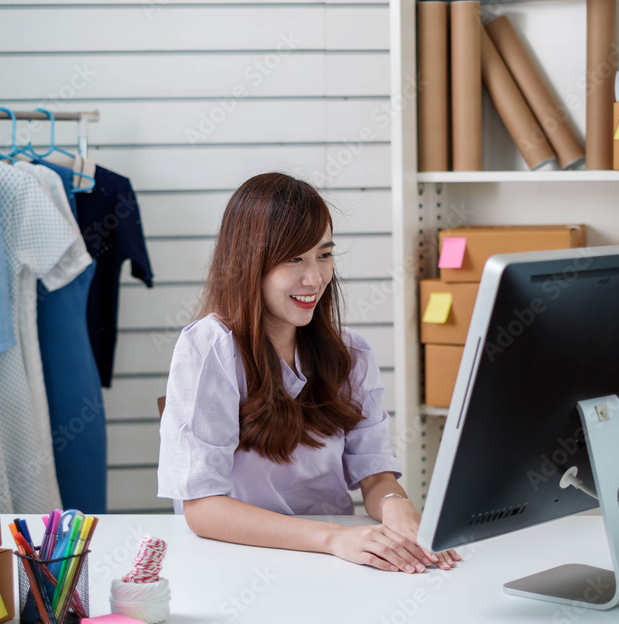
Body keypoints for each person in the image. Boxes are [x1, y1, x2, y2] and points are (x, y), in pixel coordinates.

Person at [158, 172, 461, 574]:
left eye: (324, 255)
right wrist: (335, 539)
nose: (315, 278)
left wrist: (398, 509)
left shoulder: (350, 354)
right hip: (240, 562)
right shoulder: (210, 347)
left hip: (335, 561)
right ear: (250, 263)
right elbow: (202, 508)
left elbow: (373, 474)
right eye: (293, 259)